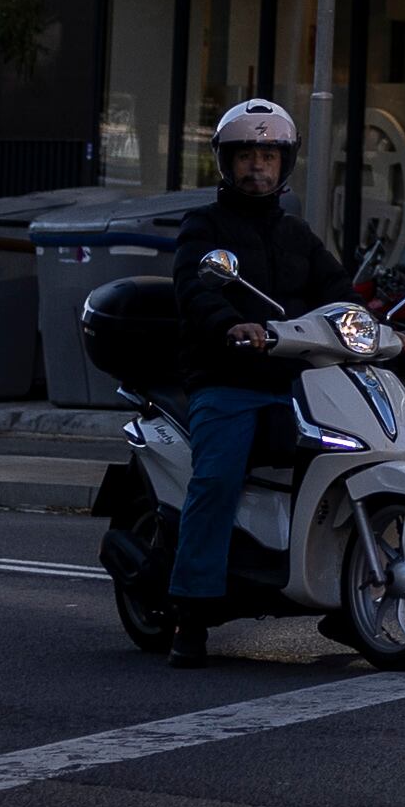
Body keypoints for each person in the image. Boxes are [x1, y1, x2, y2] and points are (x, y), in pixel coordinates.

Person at [166, 97, 345, 666]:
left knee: (346, 464)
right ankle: (190, 612)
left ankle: (342, 597)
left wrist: (380, 329)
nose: (257, 167)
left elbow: (337, 290)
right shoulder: (205, 226)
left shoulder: (298, 234)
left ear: (284, 163)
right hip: (228, 378)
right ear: (226, 161)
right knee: (217, 478)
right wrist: (231, 325)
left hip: (299, 380)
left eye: (268, 155)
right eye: (246, 155)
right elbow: (195, 289)